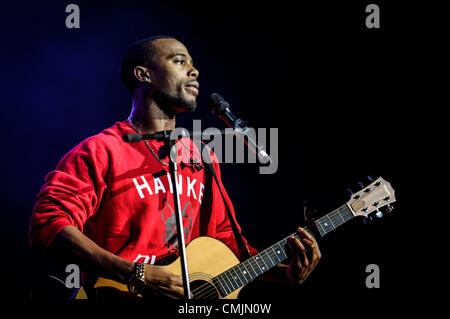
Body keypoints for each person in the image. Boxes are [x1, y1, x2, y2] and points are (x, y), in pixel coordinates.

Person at [29, 36, 321, 299]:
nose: (194, 72)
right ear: (143, 75)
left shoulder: (202, 159)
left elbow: (226, 244)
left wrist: (281, 274)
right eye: (180, 61)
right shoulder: (101, 150)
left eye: (193, 65)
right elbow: (47, 224)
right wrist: (133, 273)